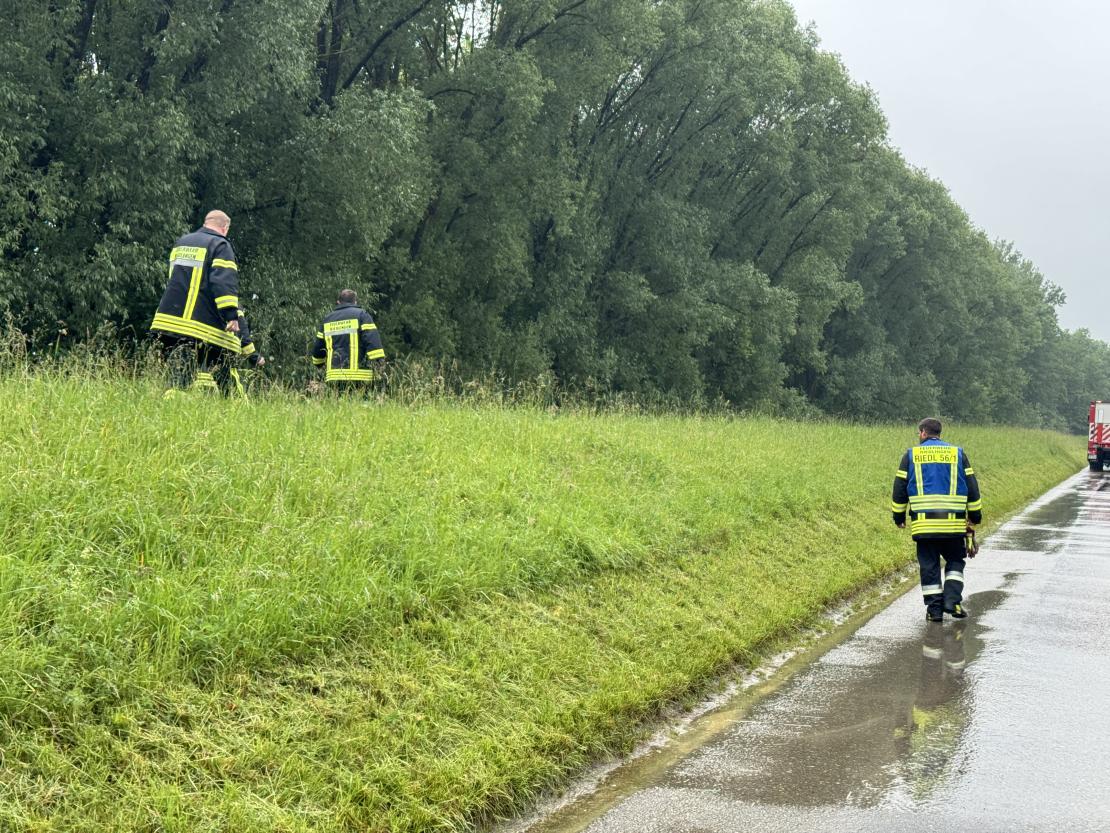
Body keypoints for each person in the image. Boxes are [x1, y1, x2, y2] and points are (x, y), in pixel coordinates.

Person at [891, 417, 982, 622]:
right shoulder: (957, 454)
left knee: (930, 566)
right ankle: (952, 600)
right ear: (938, 433)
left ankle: (934, 611)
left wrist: (898, 516)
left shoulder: (911, 455)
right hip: (953, 524)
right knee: (955, 561)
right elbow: (972, 487)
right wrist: (974, 516)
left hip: (924, 525)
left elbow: (899, 489)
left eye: (919, 433)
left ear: (923, 432)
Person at [150, 209, 243, 395]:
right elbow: (223, 283)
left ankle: (171, 403)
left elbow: (174, 278)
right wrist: (231, 315)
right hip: (201, 324)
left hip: (169, 321)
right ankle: (235, 408)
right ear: (225, 228)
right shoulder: (220, 245)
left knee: (180, 375)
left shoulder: (182, 242)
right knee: (223, 369)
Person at [310, 289, 385, 390]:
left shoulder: (327, 319)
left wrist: (319, 365)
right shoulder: (362, 315)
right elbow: (374, 345)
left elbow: (317, 352)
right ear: (355, 302)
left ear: (338, 302)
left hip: (333, 377)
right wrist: (379, 366)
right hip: (360, 377)